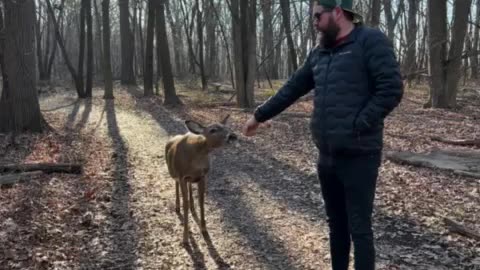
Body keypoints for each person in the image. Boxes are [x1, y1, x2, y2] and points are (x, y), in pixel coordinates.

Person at [242, 0, 403, 269]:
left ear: (338, 12)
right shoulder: (319, 52)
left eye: (318, 16)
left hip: (360, 154)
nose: (314, 22)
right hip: (327, 156)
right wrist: (259, 116)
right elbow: (292, 88)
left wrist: (359, 123)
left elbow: (391, 89)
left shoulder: (370, 41)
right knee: (336, 226)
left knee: (359, 229)